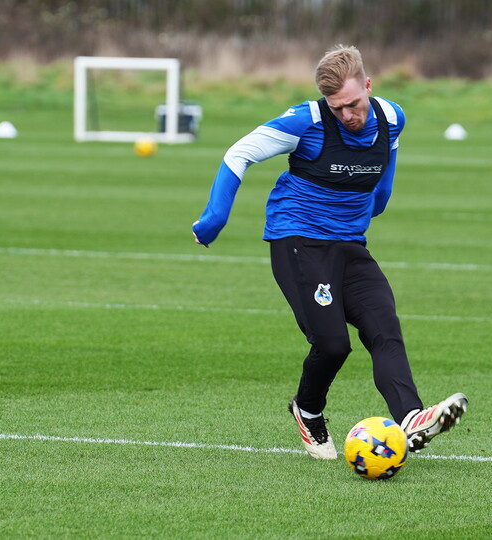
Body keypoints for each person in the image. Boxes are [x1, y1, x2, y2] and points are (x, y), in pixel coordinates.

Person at [192, 45, 467, 460]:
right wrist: (214, 218)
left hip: (350, 244)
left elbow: (387, 162)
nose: (348, 115)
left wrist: (380, 199)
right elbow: (239, 153)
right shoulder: (308, 120)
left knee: (384, 329)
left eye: (354, 104)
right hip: (298, 240)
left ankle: (411, 419)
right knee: (333, 345)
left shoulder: (392, 117)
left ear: (369, 87)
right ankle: (307, 410)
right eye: (338, 108)